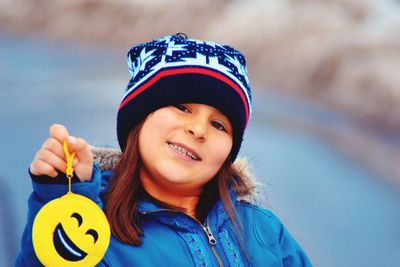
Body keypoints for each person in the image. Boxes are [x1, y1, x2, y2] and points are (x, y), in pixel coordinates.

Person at [16, 33, 313, 266]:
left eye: (219, 125)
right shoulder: (91, 227)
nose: (198, 129)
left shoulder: (265, 231)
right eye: (182, 107)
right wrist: (60, 200)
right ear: (140, 117)